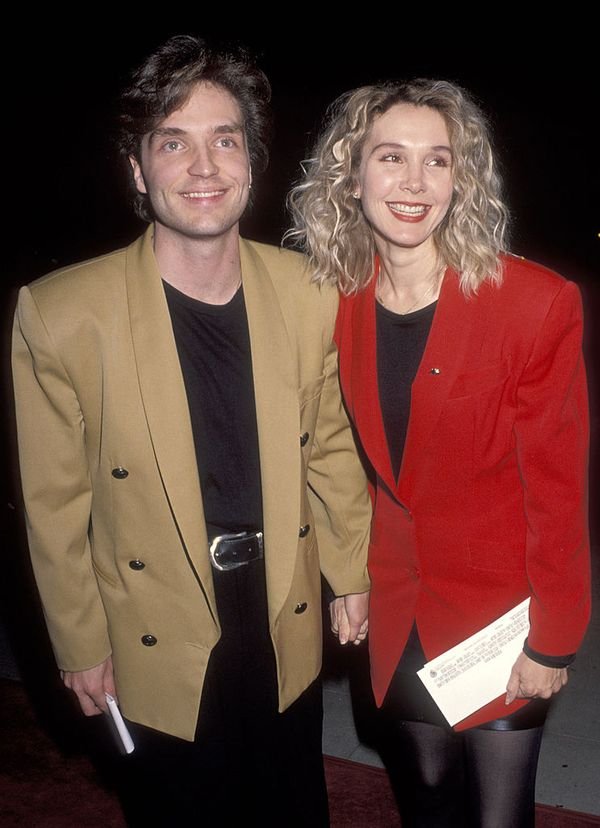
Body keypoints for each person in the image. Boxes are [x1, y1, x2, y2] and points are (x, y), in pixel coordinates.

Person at [11, 36, 371, 827]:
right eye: (174, 142)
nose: (203, 165)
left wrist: (350, 571)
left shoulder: (311, 291)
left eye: (225, 140)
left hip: (281, 606)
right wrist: (78, 642)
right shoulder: (63, 312)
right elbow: (54, 500)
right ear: (138, 171)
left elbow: (332, 444)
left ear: (253, 162)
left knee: (292, 806)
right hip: (156, 616)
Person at [287, 79, 591, 827]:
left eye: (439, 161)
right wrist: (347, 574)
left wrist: (554, 640)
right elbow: (335, 459)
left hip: (500, 609)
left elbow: (556, 487)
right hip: (398, 598)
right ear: (351, 176)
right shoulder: (336, 300)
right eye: (391, 158)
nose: (414, 183)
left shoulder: (533, 304)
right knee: (422, 786)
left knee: (497, 813)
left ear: (464, 180)